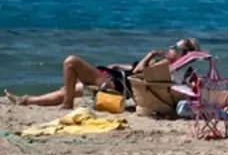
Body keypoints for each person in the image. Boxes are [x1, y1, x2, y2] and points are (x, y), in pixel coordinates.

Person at [4, 38, 200, 109]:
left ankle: (67, 104)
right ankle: (26, 100)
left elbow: (139, 71)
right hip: (119, 80)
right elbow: (137, 71)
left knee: (71, 62)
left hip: (117, 86)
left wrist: (151, 54)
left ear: (182, 53)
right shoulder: (173, 67)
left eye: (174, 46)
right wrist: (120, 66)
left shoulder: (164, 64)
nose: (169, 47)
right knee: (69, 88)